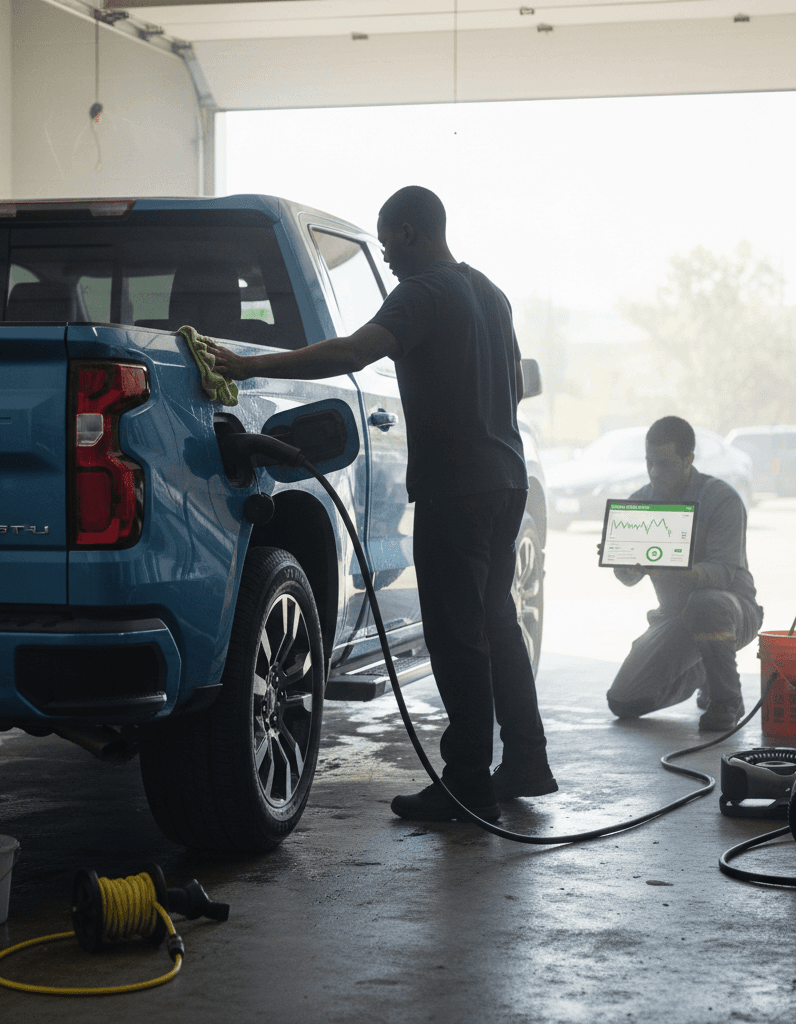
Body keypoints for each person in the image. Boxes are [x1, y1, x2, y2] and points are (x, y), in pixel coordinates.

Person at [206, 185, 557, 823]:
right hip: (505, 480)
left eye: (389, 241)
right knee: (495, 621)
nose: (388, 257)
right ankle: (527, 760)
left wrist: (246, 364)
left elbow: (352, 353)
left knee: (456, 635)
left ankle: (469, 779)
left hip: (457, 486)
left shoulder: (423, 290)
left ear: (409, 232)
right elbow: (506, 387)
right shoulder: (489, 293)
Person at [606, 416, 763, 731]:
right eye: (649, 462)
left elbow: (722, 572)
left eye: (664, 464)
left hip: (732, 612)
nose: (654, 472)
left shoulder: (722, 499)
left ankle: (726, 700)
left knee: (705, 604)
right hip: (674, 618)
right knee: (622, 701)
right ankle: (703, 668)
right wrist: (621, 561)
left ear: (689, 459)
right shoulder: (640, 502)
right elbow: (628, 578)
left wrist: (674, 568)